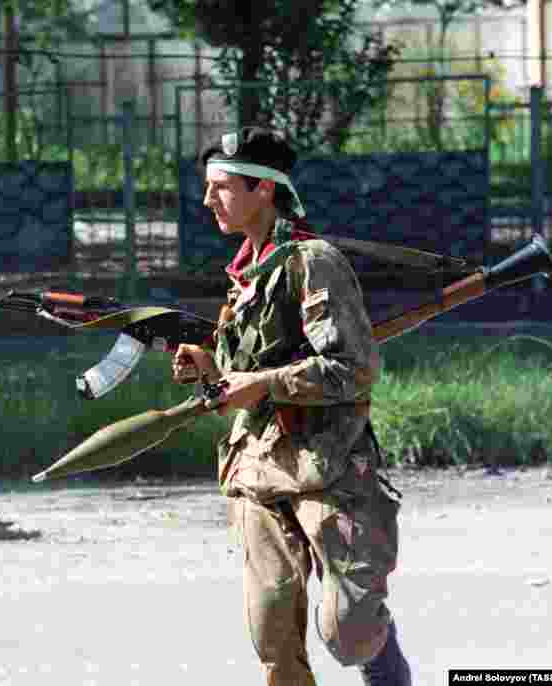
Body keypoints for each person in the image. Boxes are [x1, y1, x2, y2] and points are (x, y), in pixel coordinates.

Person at [171, 127, 411, 685]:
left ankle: (382, 657)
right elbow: (241, 380)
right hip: (258, 468)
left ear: (264, 191)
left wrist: (263, 383)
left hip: (329, 467)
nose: (209, 200)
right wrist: (210, 371)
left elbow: (354, 369)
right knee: (272, 637)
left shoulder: (312, 263)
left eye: (223, 187)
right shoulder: (245, 275)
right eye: (208, 188)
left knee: (350, 632)